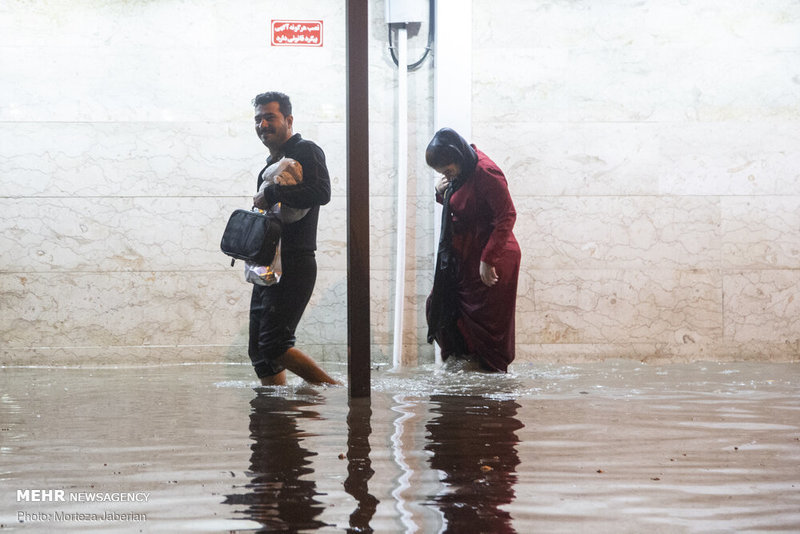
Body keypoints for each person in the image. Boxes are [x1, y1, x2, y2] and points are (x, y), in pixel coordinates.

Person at [248, 91, 339, 386]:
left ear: (288, 119)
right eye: (258, 119)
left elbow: (321, 193)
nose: (263, 124)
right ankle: (277, 421)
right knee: (260, 353)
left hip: (295, 262)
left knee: (274, 344)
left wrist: (272, 192)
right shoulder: (270, 163)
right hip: (268, 264)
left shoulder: (306, 150)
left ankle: (340, 396)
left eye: (269, 117)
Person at [425, 128, 521, 372]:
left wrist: (488, 259)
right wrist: (440, 192)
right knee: (441, 304)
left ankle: (490, 381)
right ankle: (464, 364)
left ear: (458, 156)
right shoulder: (463, 171)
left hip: (492, 256)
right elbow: (461, 206)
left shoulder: (485, 172)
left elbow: (506, 216)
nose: (447, 175)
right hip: (466, 255)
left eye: (447, 170)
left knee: (486, 321)